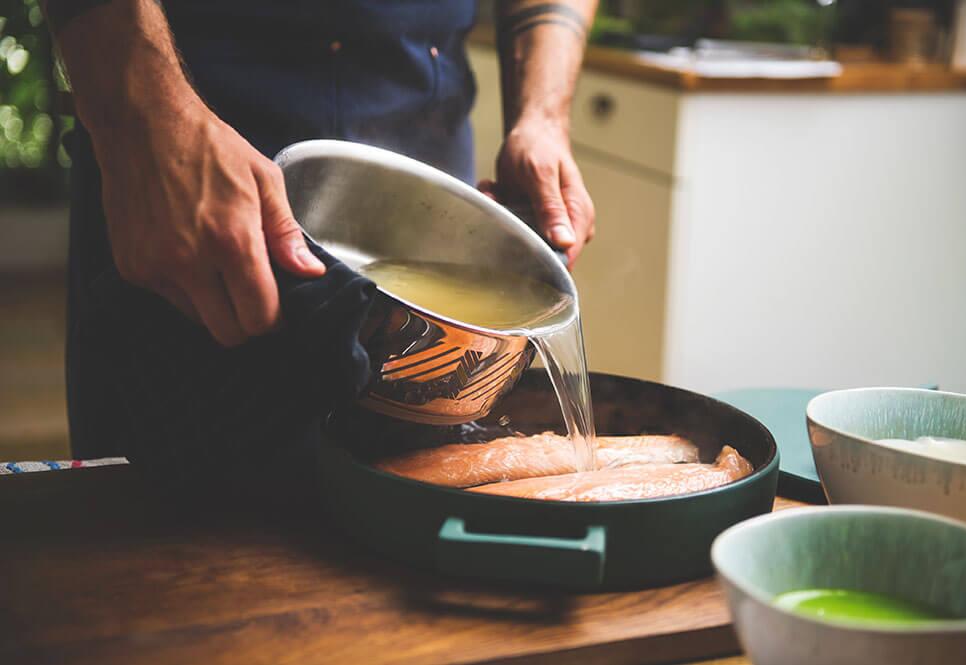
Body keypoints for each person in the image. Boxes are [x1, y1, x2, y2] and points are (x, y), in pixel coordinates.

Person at [43, 0, 597, 475]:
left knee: (414, 535)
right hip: (187, 178)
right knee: (164, 536)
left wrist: (543, 117)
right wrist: (143, 118)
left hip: (429, 188)